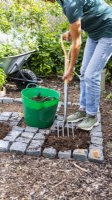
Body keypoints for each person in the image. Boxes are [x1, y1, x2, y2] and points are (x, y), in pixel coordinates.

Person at [42, 0, 112, 130]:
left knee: (91, 75)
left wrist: (70, 68)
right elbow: (82, 16)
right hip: (94, 33)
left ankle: (92, 116)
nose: (45, 1)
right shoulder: (63, 2)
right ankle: (83, 110)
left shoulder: (70, 4)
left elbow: (77, 43)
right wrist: (72, 32)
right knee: (84, 72)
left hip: (108, 31)